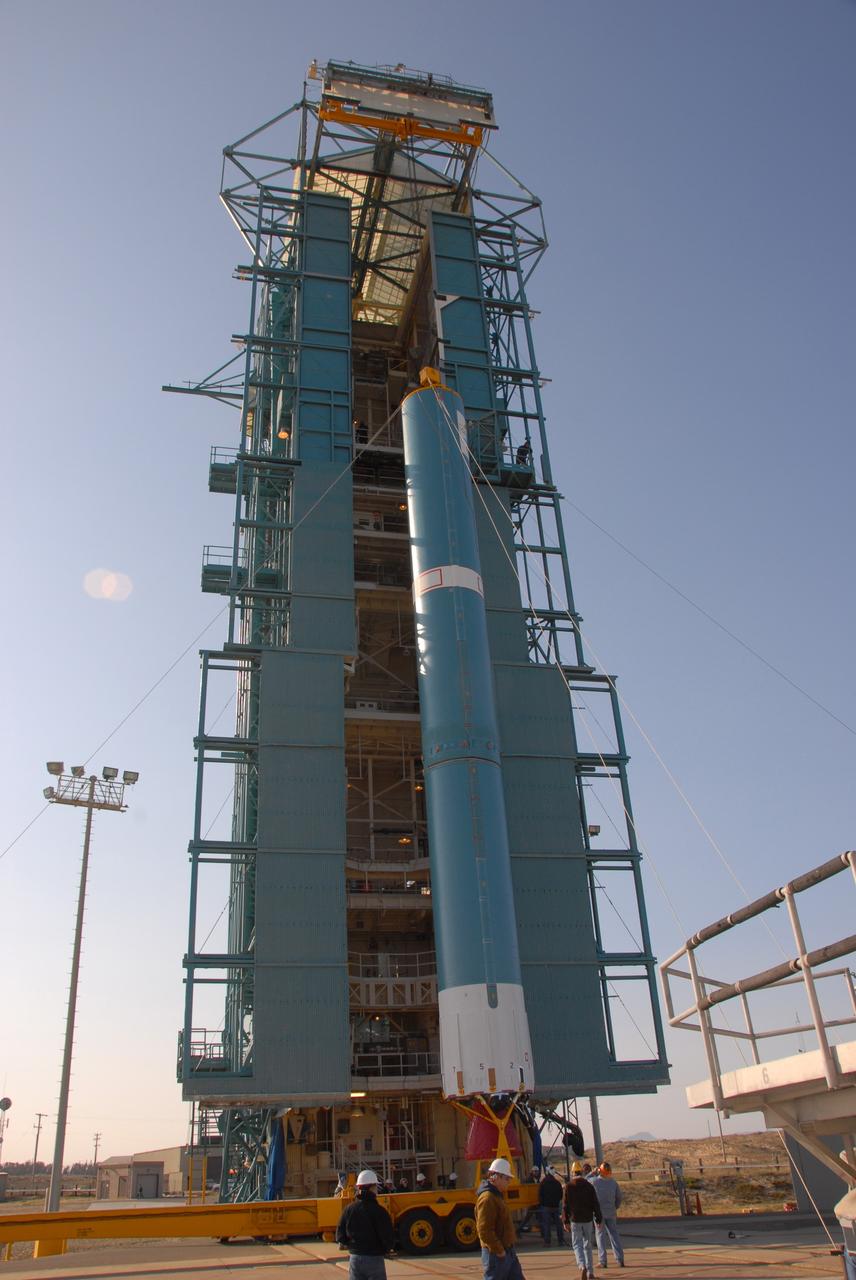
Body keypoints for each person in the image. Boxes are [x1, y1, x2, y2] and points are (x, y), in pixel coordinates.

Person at [336, 1169, 395, 1280]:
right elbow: (388, 1238)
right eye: (376, 1187)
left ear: (359, 1187)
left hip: (355, 1258)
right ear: (372, 1187)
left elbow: (340, 1235)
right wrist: (385, 1249)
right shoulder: (379, 1211)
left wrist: (352, 1246)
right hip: (374, 1259)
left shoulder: (349, 1209)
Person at [476, 1157, 526, 1280]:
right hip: (496, 1254)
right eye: (507, 1178)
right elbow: (484, 1230)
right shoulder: (488, 1198)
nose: (509, 1181)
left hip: (507, 1251)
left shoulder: (497, 1196)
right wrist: (499, 1251)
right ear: (495, 1176)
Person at [562, 1161, 602, 1280]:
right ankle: (590, 1273)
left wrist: (566, 1221)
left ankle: (581, 1265)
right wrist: (598, 1218)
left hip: (575, 1220)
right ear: (582, 1172)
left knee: (577, 1244)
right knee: (587, 1245)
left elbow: (565, 1206)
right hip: (588, 1220)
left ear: (573, 1173)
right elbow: (595, 1203)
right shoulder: (589, 1186)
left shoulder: (569, 1186)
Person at [590, 1162, 624, 1268]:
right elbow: (619, 1198)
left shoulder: (594, 1182)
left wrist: (592, 1173)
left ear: (600, 1171)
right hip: (611, 1212)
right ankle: (620, 1259)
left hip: (599, 1214)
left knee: (600, 1236)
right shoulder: (613, 1183)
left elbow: (582, 1180)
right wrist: (615, 1207)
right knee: (614, 1235)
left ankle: (603, 1261)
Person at [537, 1166, 565, 1246]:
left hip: (546, 1206)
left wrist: (542, 1203)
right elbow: (560, 1195)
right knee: (558, 1224)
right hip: (555, 1206)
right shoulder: (557, 1183)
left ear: (547, 1172)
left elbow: (540, 1195)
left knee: (547, 1224)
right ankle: (561, 1241)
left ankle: (547, 1242)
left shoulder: (543, 1183)